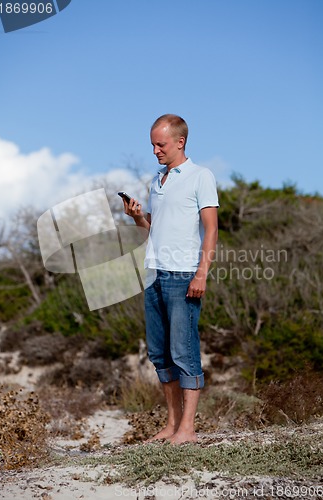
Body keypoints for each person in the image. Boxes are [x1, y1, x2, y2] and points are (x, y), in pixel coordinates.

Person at [123, 114, 219, 444]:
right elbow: (156, 228)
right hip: (154, 274)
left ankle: (188, 430)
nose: (155, 150)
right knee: (160, 355)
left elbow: (211, 228)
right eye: (152, 144)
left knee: (184, 351)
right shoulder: (156, 181)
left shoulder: (200, 176)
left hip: (184, 276)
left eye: (160, 144)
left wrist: (201, 273)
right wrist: (138, 217)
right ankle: (172, 425)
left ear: (180, 142)